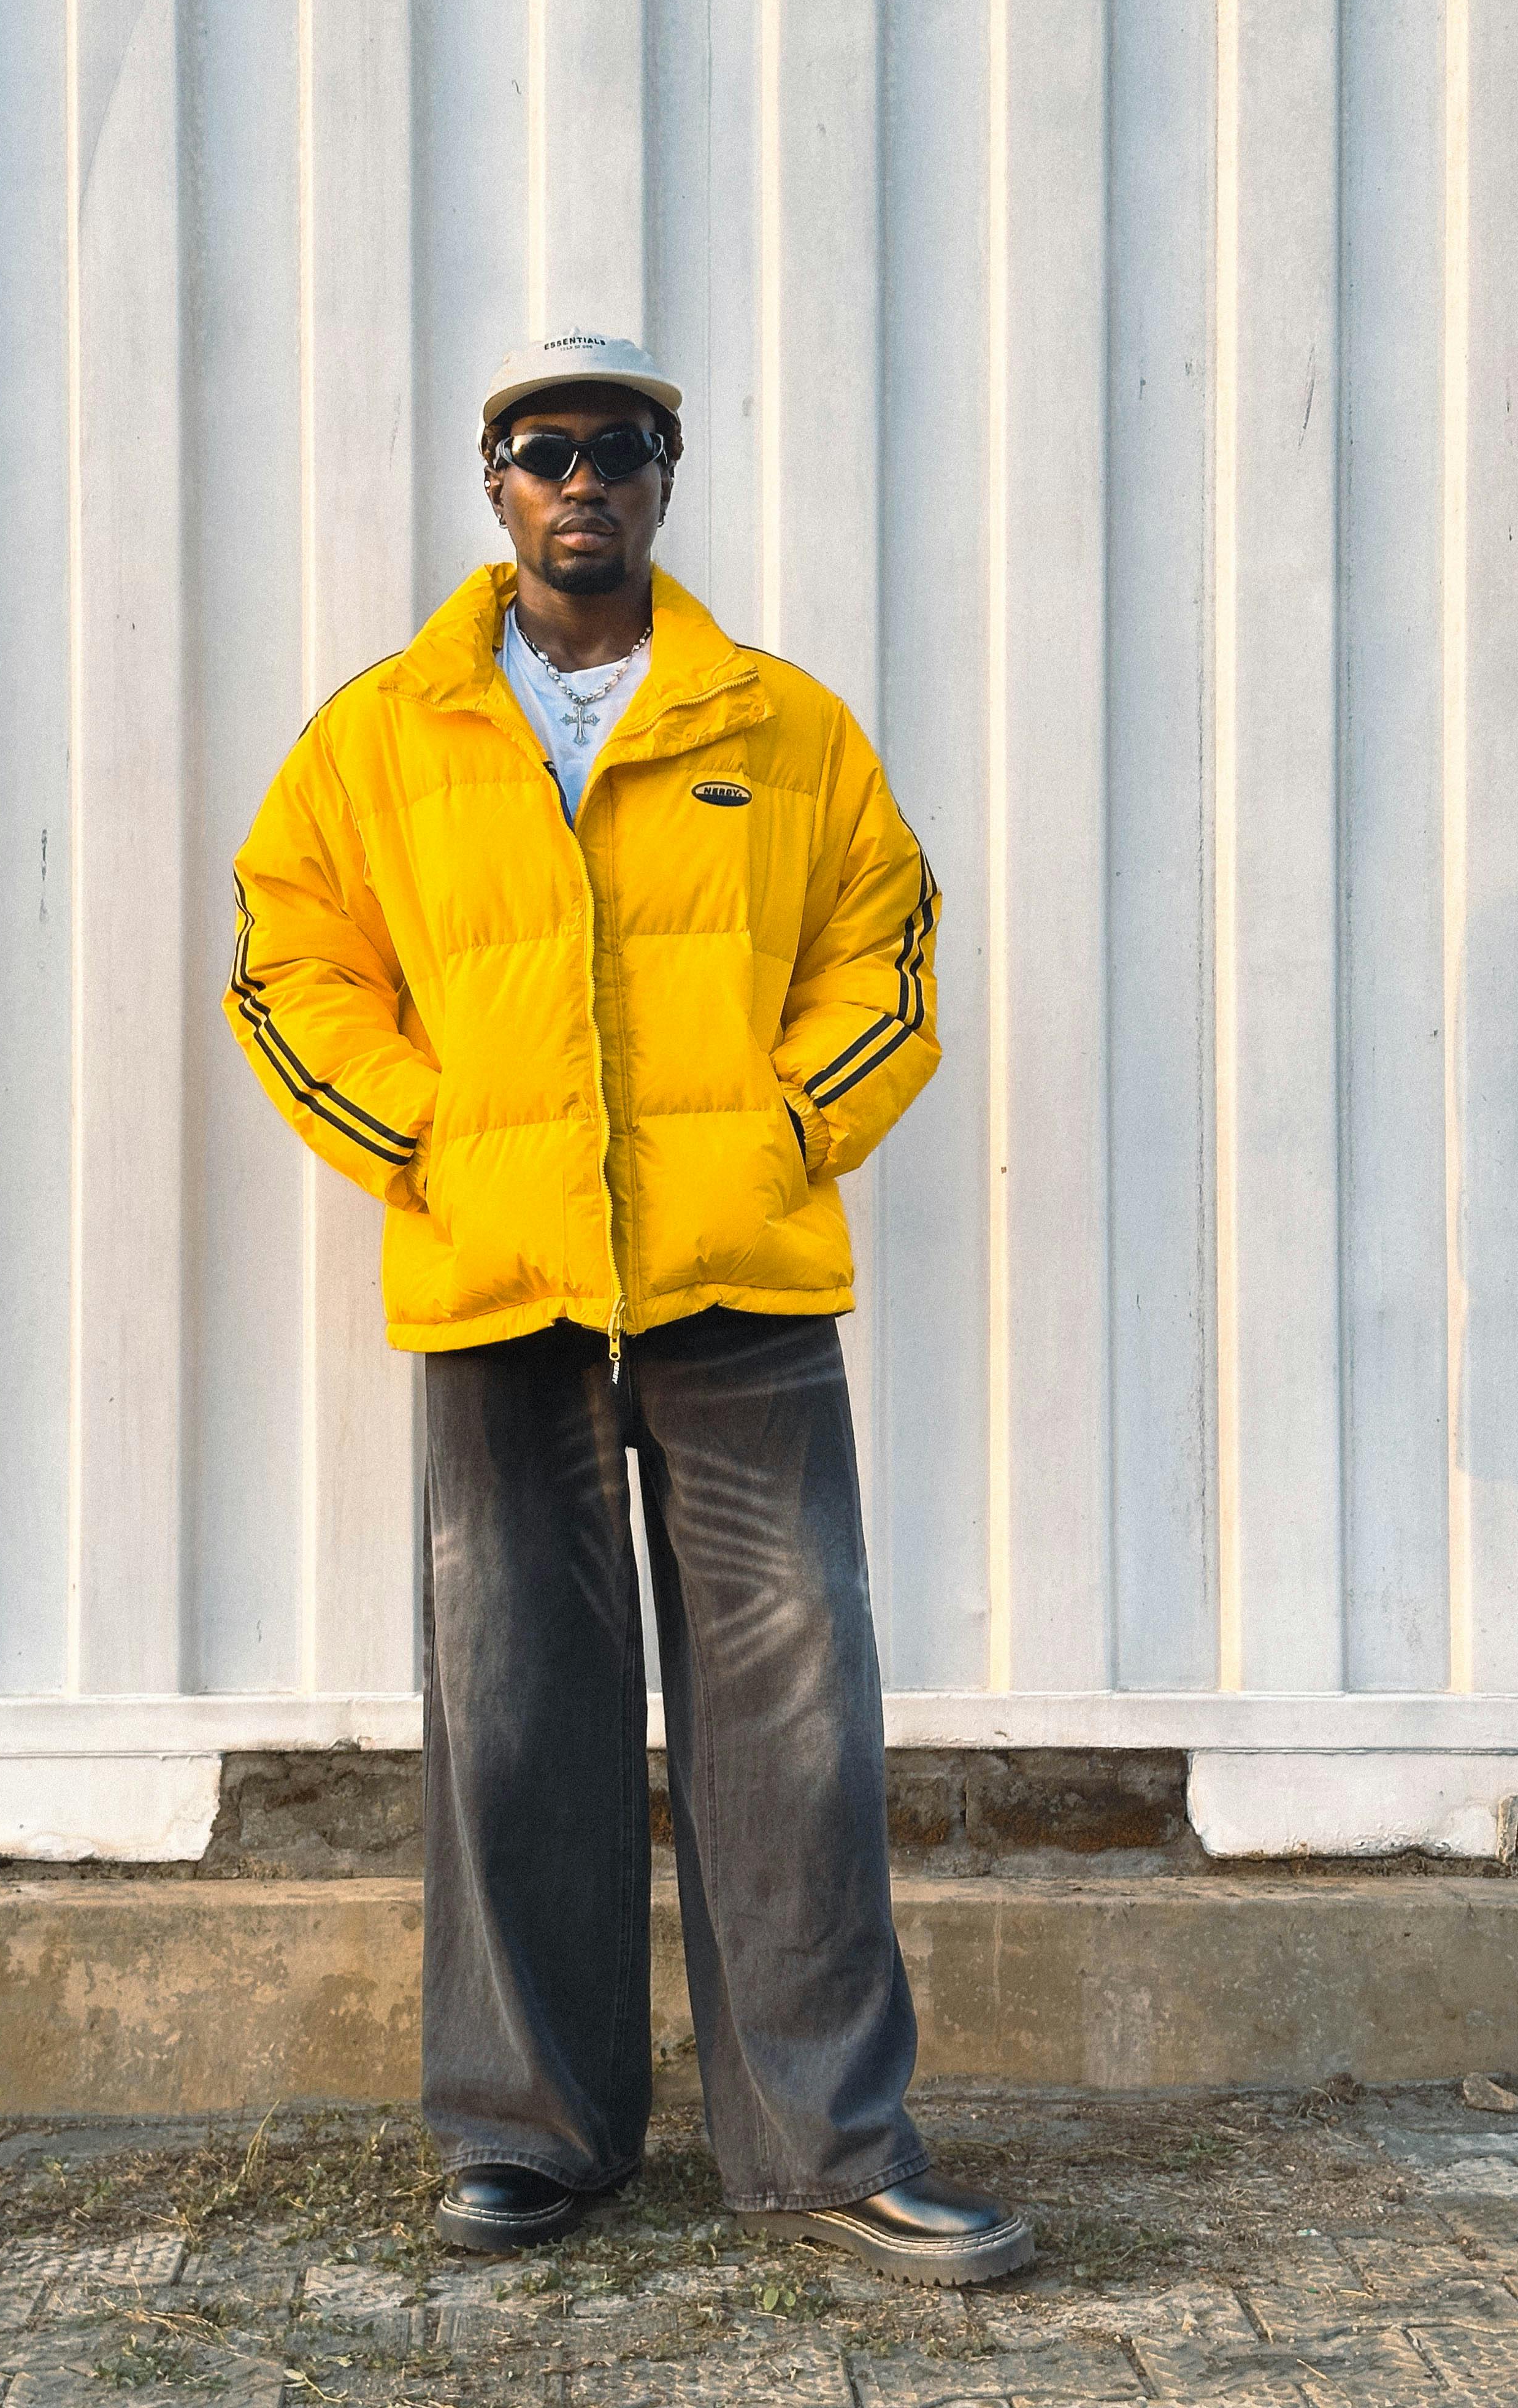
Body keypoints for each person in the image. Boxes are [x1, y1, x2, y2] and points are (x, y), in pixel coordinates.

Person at [225, 332, 1033, 2287]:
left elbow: (886, 948)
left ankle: (831, 2144)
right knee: (512, 1714)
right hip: (501, 1287)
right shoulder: (382, 734)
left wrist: (784, 1133)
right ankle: (534, 2137)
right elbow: (287, 966)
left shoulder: (780, 727)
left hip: (736, 1287)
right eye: (542, 450)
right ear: (493, 488)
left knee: (797, 1713)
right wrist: (431, 1145)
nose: (581, 479)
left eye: (620, 449)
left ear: (666, 482)